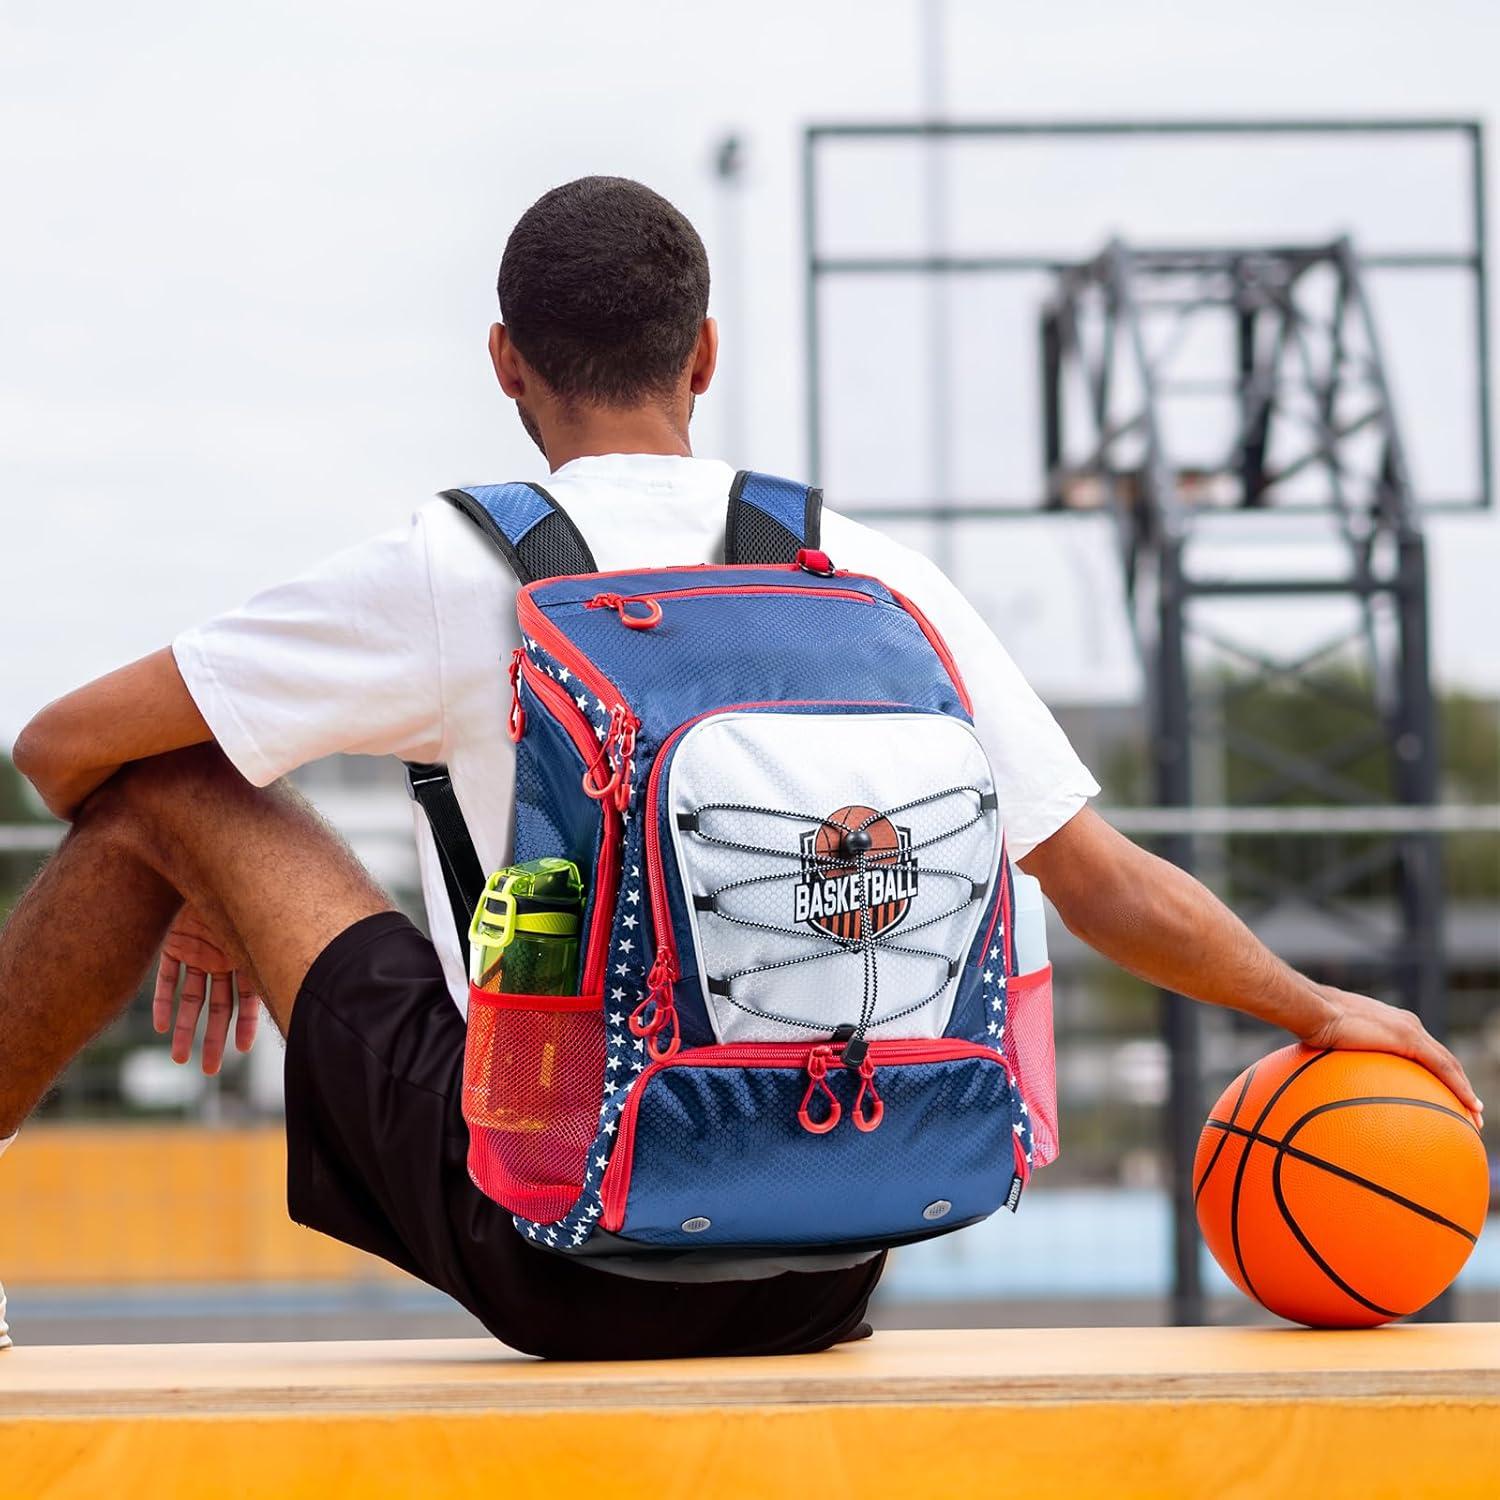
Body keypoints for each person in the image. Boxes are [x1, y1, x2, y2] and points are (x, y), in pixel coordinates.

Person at [0, 176, 1480, 1359]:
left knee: (170, 790)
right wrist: (1315, 1003)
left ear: (506, 364)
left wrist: (214, 851)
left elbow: (61, 750)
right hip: (837, 1261)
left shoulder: (458, 574)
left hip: (561, 1249)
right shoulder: (874, 576)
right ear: (704, 356)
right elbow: (1100, 880)